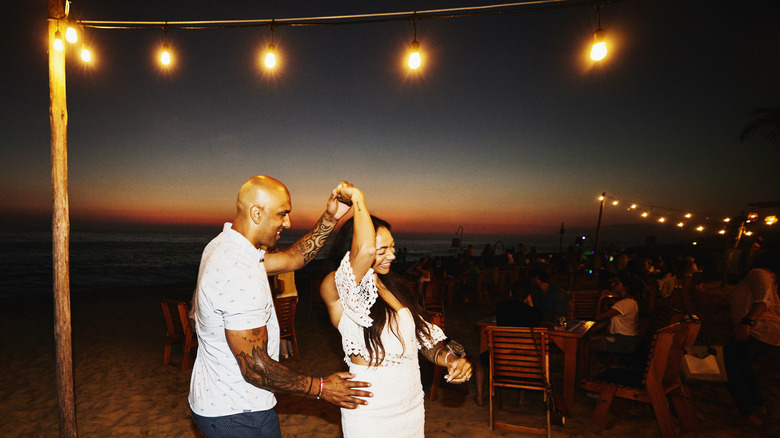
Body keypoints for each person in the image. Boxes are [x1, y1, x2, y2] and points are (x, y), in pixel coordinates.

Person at [188, 175, 373, 438]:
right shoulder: (236, 268)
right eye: (282, 214)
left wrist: (331, 218)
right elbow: (255, 367)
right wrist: (322, 388)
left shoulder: (229, 247)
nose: (288, 222)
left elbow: (294, 257)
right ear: (256, 212)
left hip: (247, 403)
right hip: (232, 412)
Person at [319, 187, 472, 437]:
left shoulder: (394, 287)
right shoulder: (336, 289)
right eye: (382, 250)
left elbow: (423, 340)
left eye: (393, 247)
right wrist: (357, 199)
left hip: (410, 408)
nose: (392, 254)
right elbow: (365, 251)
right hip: (370, 412)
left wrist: (452, 360)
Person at [724, 248, 780, 427]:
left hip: (758, 328)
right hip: (767, 329)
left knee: (730, 369)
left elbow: (762, 300)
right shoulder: (771, 276)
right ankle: (758, 406)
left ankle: (747, 413)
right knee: (744, 366)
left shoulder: (758, 273)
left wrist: (747, 322)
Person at [474, 280, 542, 406]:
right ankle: (521, 397)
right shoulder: (535, 313)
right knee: (525, 355)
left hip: (501, 358)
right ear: (528, 296)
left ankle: (479, 397)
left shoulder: (501, 307)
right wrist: (530, 302)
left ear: (510, 293)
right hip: (526, 361)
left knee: (480, 362)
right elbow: (535, 316)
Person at [590, 270, 641, 354]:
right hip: (625, 339)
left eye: (616, 283)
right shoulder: (630, 301)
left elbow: (598, 317)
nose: (612, 285)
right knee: (588, 338)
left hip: (623, 341)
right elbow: (608, 319)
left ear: (626, 287)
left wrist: (600, 299)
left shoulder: (624, 303)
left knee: (588, 346)